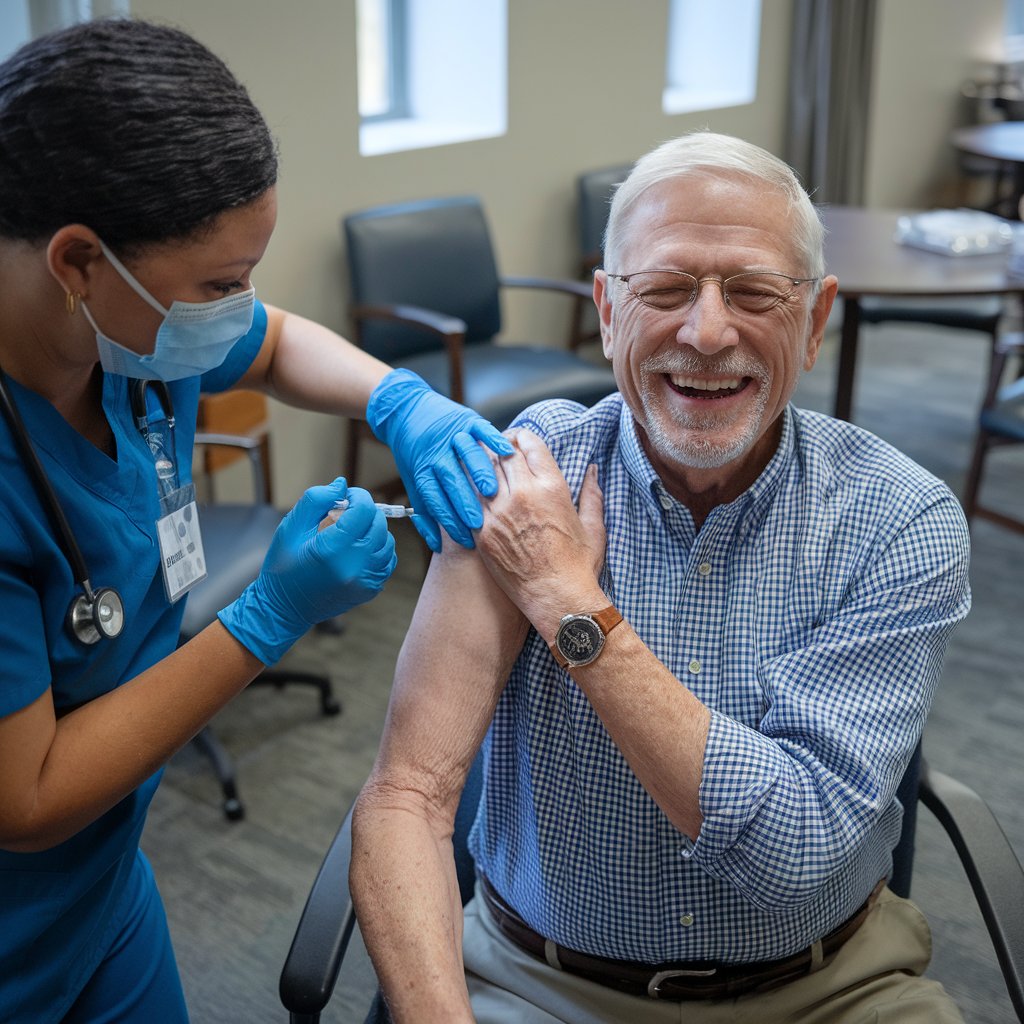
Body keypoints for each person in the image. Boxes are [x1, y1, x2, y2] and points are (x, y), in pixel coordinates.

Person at [350, 131, 973, 1023]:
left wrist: (568, 599)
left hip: (831, 989)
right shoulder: (530, 479)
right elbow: (406, 796)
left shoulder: (896, 520)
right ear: (607, 310)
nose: (708, 332)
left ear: (816, 318)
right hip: (539, 986)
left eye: (754, 291)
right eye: (666, 289)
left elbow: (791, 852)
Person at [0, 17, 515, 1024]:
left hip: (101, 891)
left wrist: (401, 405)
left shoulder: (128, 332)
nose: (240, 308)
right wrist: (268, 614)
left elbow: (274, 345)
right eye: (219, 285)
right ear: (77, 261)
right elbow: (28, 799)